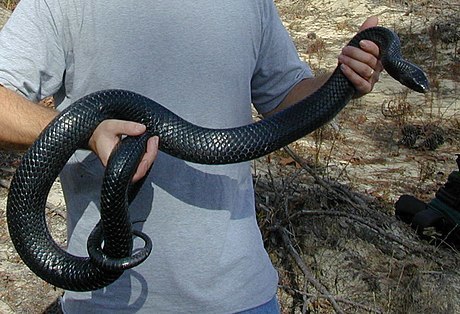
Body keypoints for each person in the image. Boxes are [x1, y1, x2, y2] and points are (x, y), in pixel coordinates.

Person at [0, 0, 381, 312]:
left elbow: (287, 98)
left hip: (239, 294)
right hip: (108, 302)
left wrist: (343, 80)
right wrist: (88, 130)